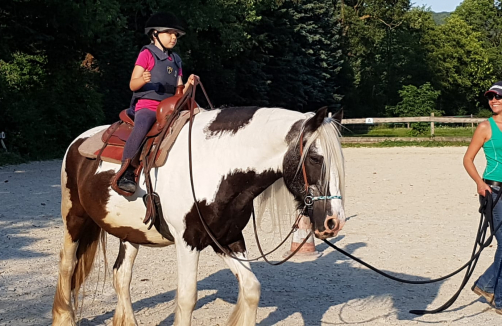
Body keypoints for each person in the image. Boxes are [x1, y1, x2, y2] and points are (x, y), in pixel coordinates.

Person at [116, 12, 197, 194]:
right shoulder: (147, 53)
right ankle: (126, 171)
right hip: (148, 106)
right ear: (155, 34)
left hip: (169, 108)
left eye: (176, 34)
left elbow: (179, 91)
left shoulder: (176, 60)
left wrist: (188, 85)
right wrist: (143, 79)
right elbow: (132, 84)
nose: (174, 37)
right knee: (142, 125)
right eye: (169, 33)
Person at [463, 81, 502, 315]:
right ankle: (499, 299)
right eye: (490, 97)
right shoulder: (484, 127)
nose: (494, 101)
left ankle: (486, 285)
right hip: (494, 191)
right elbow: (468, 159)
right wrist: (479, 182)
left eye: (498, 97)